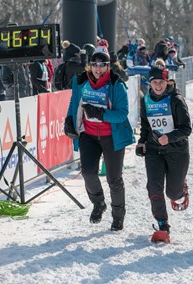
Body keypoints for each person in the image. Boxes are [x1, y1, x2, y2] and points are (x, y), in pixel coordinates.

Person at [64, 40, 135, 231]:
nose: (98, 68)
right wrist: (69, 120)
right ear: (90, 65)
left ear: (108, 66)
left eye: (102, 64)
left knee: (114, 179)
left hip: (112, 136)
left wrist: (102, 114)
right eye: (94, 64)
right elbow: (74, 102)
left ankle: (118, 216)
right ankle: (98, 203)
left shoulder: (116, 85)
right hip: (88, 135)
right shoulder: (81, 81)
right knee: (88, 172)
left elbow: (122, 114)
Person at [136, 59, 191, 243]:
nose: (158, 85)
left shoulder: (176, 100)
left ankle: (181, 187)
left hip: (177, 150)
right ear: (149, 83)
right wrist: (142, 142)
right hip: (154, 150)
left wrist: (171, 137)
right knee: (154, 186)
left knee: (172, 194)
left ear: (167, 82)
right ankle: (162, 225)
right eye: (154, 82)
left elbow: (186, 129)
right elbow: (145, 125)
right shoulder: (146, 100)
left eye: (161, 82)